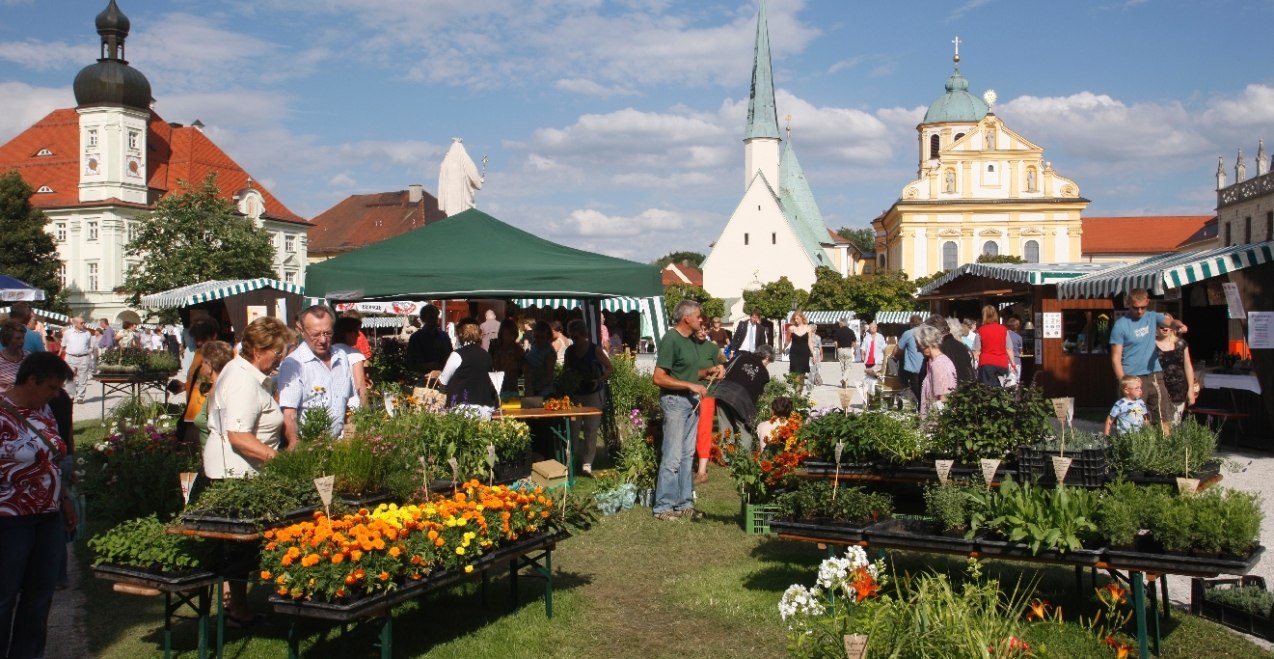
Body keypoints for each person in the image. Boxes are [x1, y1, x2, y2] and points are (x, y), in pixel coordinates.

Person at [202, 317, 289, 625]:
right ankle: (236, 611)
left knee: (241, 549)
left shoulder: (245, 374)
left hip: (241, 472)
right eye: (277, 351)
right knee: (238, 548)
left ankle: (235, 607)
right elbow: (238, 436)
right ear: (258, 350)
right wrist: (281, 461)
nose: (280, 358)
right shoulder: (242, 380)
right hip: (235, 474)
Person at [0, 353, 76, 659]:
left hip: (48, 516)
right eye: (52, 387)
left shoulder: (44, 410)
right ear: (32, 380)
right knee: (3, 596)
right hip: (10, 519)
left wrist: (65, 499)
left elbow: (53, 460)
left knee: (39, 595)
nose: (56, 395)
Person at [651, 300, 722, 521]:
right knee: (672, 456)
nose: (702, 320)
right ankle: (663, 507)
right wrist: (690, 385)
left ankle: (684, 504)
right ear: (686, 318)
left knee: (686, 455)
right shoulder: (671, 339)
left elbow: (690, 372)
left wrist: (709, 371)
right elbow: (659, 377)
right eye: (699, 317)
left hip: (691, 403)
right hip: (675, 402)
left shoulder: (691, 341)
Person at [279, 306, 355, 447]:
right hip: (309, 445)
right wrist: (296, 445)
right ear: (301, 330)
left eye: (328, 333)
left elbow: (346, 405)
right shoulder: (293, 364)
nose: (322, 340)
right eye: (315, 334)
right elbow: (289, 414)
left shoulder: (341, 357)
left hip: (338, 444)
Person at [1110, 288, 1185, 428]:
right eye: (1135, 308)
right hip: (1132, 375)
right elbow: (1115, 359)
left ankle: (1165, 447)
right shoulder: (1120, 325)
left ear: (1148, 302)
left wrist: (1179, 325)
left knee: (1163, 415)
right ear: (1128, 303)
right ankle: (1134, 447)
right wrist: (1124, 382)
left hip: (1154, 374)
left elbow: (1171, 322)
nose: (1139, 311)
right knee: (1133, 419)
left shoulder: (1152, 317)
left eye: (1143, 307)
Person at [563, 319, 613, 477]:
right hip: (576, 394)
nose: (574, 340)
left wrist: (599, 379)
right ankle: (571, 461)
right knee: (574, 430)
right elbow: (566, 370)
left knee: (591, 430)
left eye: (576, 337)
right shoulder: (570, 351)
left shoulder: (595, 350)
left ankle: (587, 464)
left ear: (584, 335)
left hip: (593, 394)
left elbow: (610, 368)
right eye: (572, 337)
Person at [709, 344, 772, 454]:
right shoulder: (764, 374)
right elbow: (758, 393)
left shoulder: (741, 356)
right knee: (745, 429)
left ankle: (726, 457)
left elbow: (724, 368)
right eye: (769, 362)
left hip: (722, 392)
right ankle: (743, 458)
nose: (767, 365)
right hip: (742, 399)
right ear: (766, 357)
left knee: (725, 427)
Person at [431, 318, 498, 408]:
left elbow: (444, 382)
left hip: (462, 409)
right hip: (485, 408)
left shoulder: (457, 355)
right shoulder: (487, 356)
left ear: (461, 335)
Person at [180, 317, 222, 443]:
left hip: (204, 416)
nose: (198, 342)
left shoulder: (216, 354)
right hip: (198, 415)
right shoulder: (204, 353)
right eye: (197, 338)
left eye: (201, 338)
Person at [1154, 312, 1197, 427]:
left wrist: (1191, 389)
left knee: (1175, 424)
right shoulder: (1151, 345)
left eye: (1167, 324)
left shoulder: (1181, 343)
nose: (1164, 327)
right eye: (1161, 324)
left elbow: (1188, 367)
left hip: (1179, 390)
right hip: (1159, 390)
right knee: (1161, 425)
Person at [191, 341, 234, 447]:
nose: (201, 365)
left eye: (203, 361)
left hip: (218, 457)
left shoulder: (218, 391)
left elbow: (218, 429)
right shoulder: (217, 388)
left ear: (209, 364)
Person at [916, 324, 956, 420]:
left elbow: (944, 399)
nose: (918, 349)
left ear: (927, 344)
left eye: (919, 345)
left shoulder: (939, 365)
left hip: (936, 425)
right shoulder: (935, 362)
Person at [406, 305, 452, 383]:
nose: (434, 319)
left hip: (441, 379)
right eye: (431, 317)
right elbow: (411, 363)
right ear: (423, 319)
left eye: (435, 317)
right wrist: (430, 365)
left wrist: (440, 369)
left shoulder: (444, 336)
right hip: (422, 380)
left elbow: (450, 359)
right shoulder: (416, 337)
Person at [923, 315, 975, 383]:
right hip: (964, 389)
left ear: (933, 332)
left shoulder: (938, 349)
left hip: (947, 390)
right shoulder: (962, 346)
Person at [973, 305, 1015, 388]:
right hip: (1002, 363)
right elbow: (1009, 349)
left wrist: (977, 363)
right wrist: (1013, 364)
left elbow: (976, 351)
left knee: (987, 391)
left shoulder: (981, 330)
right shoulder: (1004, 329)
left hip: (986, 363)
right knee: (1003, 389)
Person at [334, 316, 368, 409]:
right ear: (347, 333)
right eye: (356, 332)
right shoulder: (355, 354)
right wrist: (366, 411)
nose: (358, 335)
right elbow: (360, 385)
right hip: (352, 406)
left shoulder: (328, 352)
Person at [61, 316, 94, 404]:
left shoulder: (87, 333)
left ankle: (80, 397)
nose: (83, 324)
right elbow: (63, 345)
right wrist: (70, 353)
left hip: (84, 357)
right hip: (70, 357)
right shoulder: (68, 333)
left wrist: (87, 352)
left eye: (84, 322)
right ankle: (70, 396)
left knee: (83, 378)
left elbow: (90, 345)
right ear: (75, 323)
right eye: (81, 323)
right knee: (69, 378)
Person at [490, 319, 525, 398]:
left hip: (514, 386)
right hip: (498, 384)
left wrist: (522, 393)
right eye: (506, 334)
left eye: (511, 334)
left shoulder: (518, 350)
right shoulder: (494, 346)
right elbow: (490, 367)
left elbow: (523, 373)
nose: (509, 337)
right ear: (501, 333)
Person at [522, 321, 557, 397]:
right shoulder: (535, 345)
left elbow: (548, 377)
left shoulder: (550, 353)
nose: (539, 340)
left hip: (542, 392)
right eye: (537, 336)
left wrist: (535, 389)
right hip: (530, 388)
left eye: (542, 337)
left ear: (548, 337)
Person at [896, 314, 925, 401]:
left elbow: (898, 349)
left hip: (914, 367)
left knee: (915, 387)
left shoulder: (908, 333)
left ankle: (920, 404)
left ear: (911, 323)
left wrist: (894, 357)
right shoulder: (926, 332)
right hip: (925, 365)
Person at [784, 311, 814, 393]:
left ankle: (798, 393)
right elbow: (787, 341)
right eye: (795, 319)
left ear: (801, 318)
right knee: (795, 373)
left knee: (802, 374)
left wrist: (813, 353)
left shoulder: (808, 328)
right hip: (794, 353)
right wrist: (784, 348)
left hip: (804, 353)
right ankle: (796, 391)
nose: (796, 320)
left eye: (797, 318)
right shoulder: (791, 328)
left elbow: (810, 342)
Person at [0, 320, 28, 393]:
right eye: (18, 338)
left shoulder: (28, 357)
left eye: (23, 337)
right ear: (7, 340)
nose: (22, 341)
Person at [833, 318, 858, 389]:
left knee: (842, 367)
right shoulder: (850, 331)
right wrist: (855, 350)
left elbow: (835, 343)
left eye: (839, 324)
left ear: (841, 324)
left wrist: (838, 348)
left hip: (840, 349)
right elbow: (854, 342)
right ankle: (844, 380)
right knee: (848, 367)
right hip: (848, 349)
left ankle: (844, 383)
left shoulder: (837, 332)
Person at [859, 322, 885, 388]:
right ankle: (869, 387)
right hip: (868, 359)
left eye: (874, 327)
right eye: (871, 327)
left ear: (876, 328)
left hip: (878, 359)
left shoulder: (880, 337)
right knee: (869, 374)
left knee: (876, 374)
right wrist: (862, 355)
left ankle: (876, 387)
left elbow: (884, 347)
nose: (872, 329)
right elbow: (863, 347)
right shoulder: (866, 337)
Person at [1005, 317, 1024, 386]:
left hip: (1005, 361)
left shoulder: (1003, 335)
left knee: (1005, 383)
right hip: (1016, 361)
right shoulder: (1019, 337)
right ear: (1017, 326)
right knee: (1016, 382)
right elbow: (1021, 352)